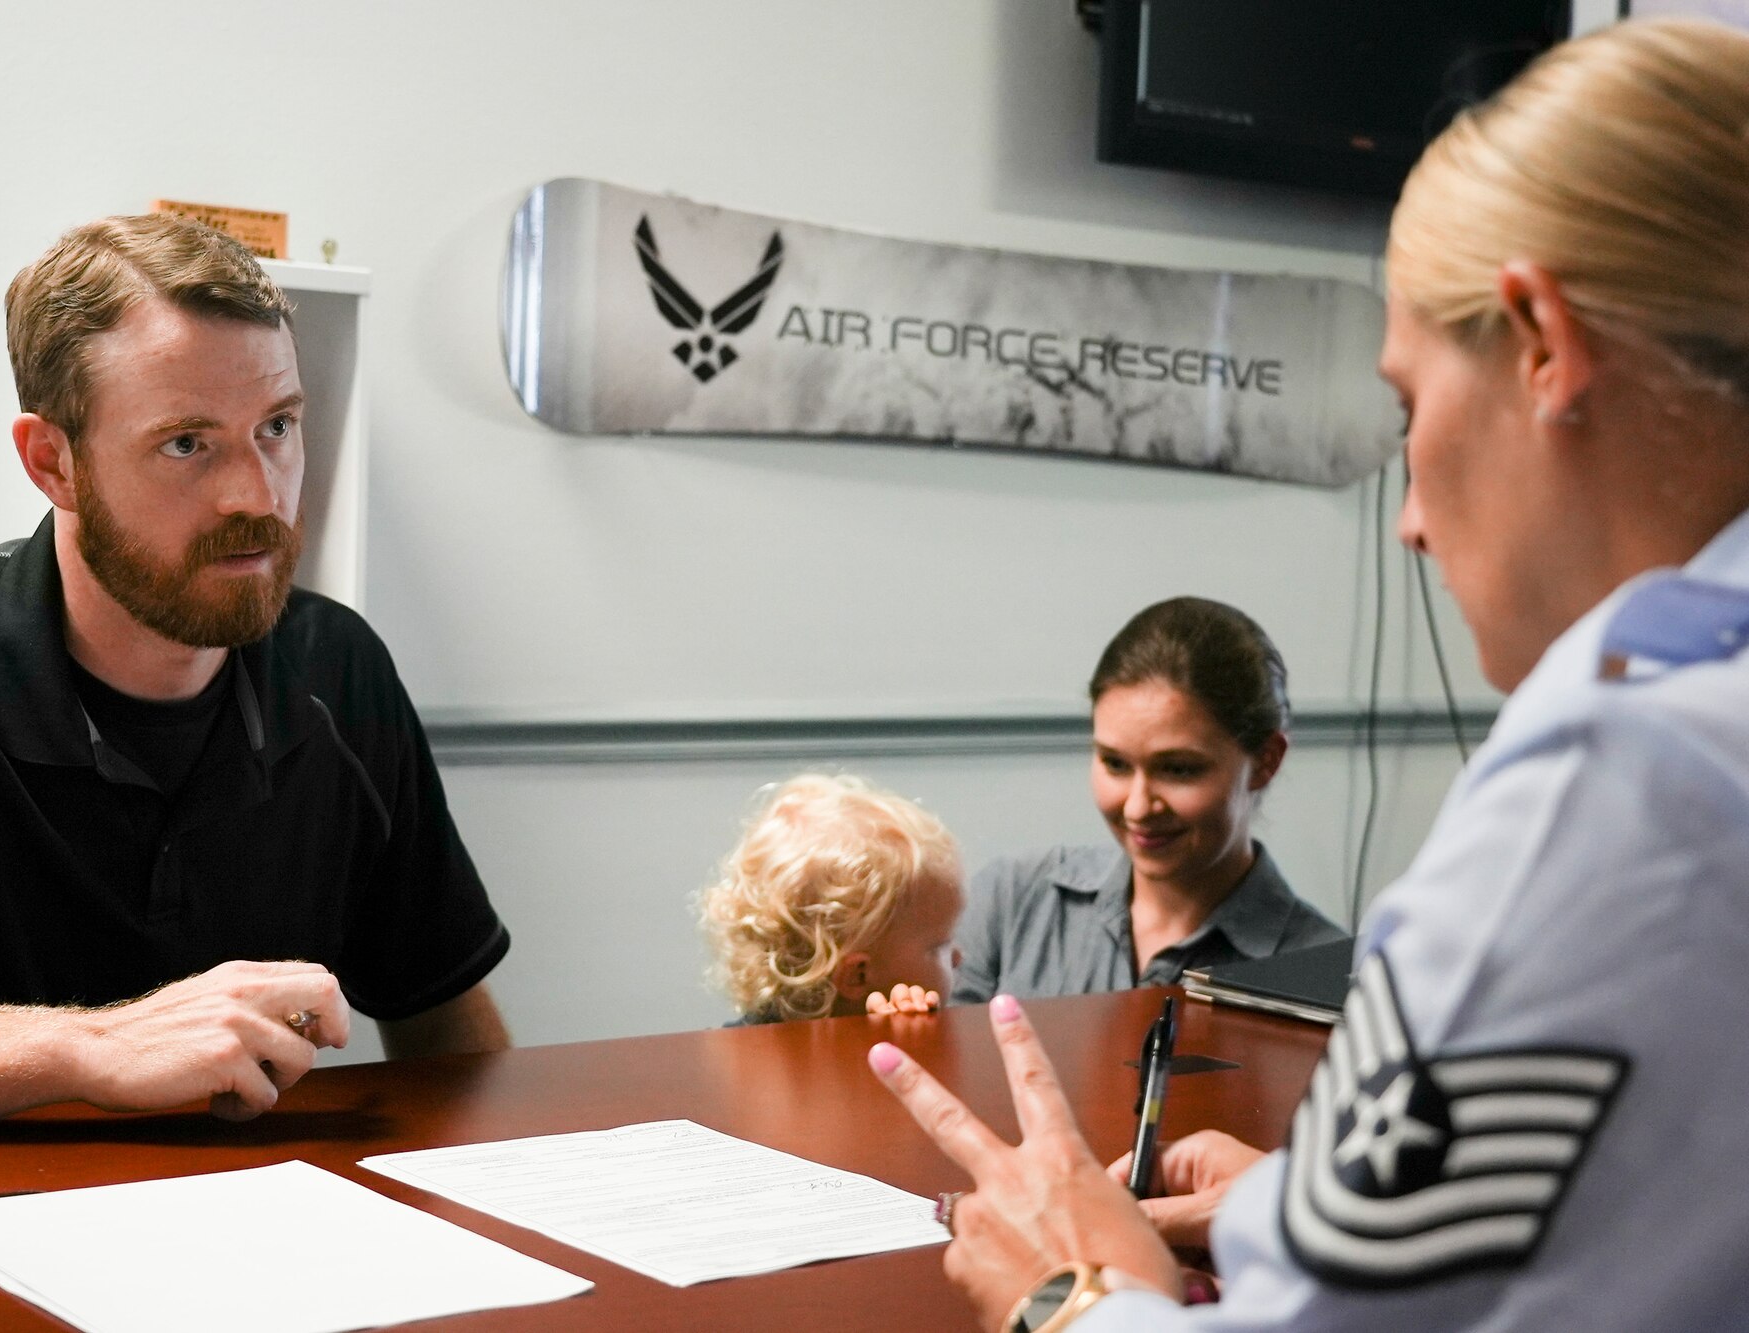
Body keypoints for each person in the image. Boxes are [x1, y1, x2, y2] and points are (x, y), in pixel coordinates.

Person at [869, 17, 1749, 1329]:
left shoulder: (1628, 766)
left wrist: (1063, 1288)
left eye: (1409, 410)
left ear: (1541, 342)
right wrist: (1310, 1207)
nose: (1410, 517)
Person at [0, 214, 510, 1139]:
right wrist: (82, 1049)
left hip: (274, 1246)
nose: (258, 496)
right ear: (52, 462)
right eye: (187, 443)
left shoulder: (336, 668)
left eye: (277, 426)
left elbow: (442, 1018)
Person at [953, 597, 1344, 1005]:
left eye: (1178, 769)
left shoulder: (1324, 973)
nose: (1138, 808)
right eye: (1115, 764)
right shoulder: (1016, 900)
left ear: (1266, 761)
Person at [698, 774, 963, 1024]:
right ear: (857, 975)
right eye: (939, 945)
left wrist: (913, 1040)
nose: (959, 957)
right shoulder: (751, 1063)